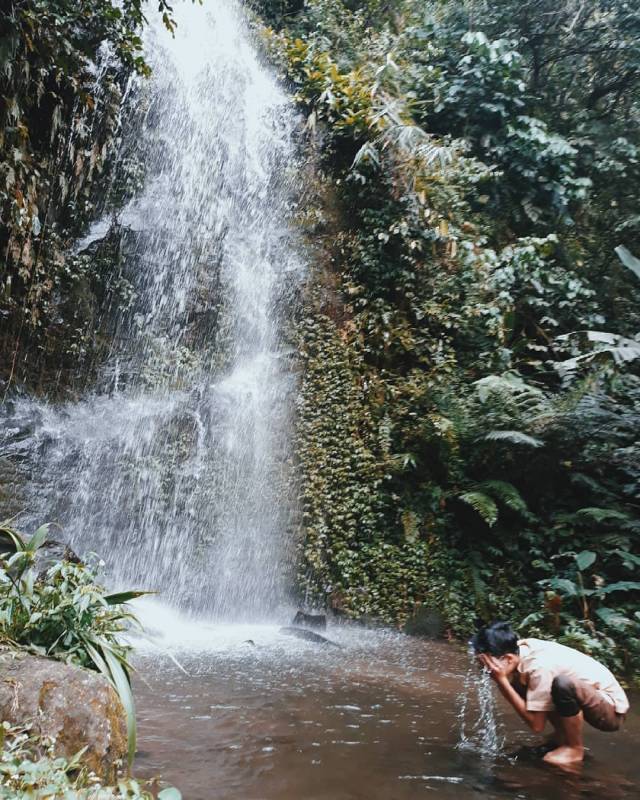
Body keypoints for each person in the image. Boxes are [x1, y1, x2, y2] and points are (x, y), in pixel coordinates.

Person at [472, 621, 630, 766]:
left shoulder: (540, 667)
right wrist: (504, 680)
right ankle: (561, 736)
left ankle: (574, 748)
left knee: (562, 684)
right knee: (518, 682)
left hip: (610, 711)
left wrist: (501, 681)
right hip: (586, 694)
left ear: (508, 658)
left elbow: (537, 726)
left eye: (487, 664)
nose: (485, 669)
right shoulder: (518, 653)